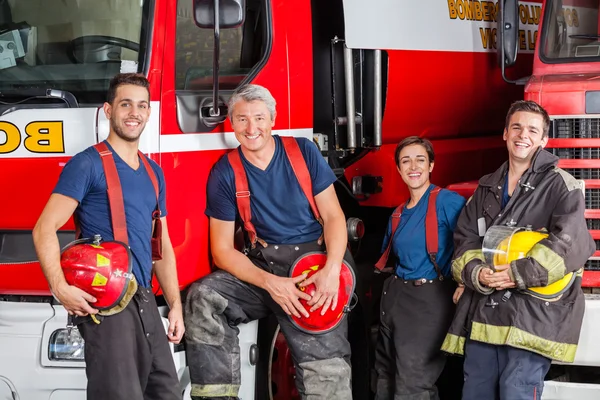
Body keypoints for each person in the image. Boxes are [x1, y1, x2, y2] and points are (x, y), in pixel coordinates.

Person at [184, 84, 352, 400]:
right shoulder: (225, 172)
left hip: (313, 270)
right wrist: (271, 283)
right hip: (265, 271)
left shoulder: (303, 152)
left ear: (272, 120)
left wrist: (331, 271)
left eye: (259, 118)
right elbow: (221, 251)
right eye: (242, 119)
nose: (252, 128)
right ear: (231, 124)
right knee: (204, 297)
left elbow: (333, 218)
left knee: (325, 374)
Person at [32, 73, 184, 400]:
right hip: (107, 302)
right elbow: (44, 228)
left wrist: (175, 305)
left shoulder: (154, 172)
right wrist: (60, 289)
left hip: (144, 298)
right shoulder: (87, 164)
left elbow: (162, 247)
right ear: (108, 110)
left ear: (149, 112)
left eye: (141, 105)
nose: (134, 112)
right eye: (125, 104)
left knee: (166, 392)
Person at [441, 100, 595, 400]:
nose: (523, 135)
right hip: (486, 311)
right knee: (476, 392)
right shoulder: (486, 188)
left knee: (517, 391)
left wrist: (516, 274)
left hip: (533, 314)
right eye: (517, 127)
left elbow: (568, 244)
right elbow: (464, 241)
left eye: (532, 130)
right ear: (505, 134)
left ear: (543, 139)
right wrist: (476, 273)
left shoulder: (561, 186)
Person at [373, 136, 466, 400]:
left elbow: (471, 241)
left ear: (431, 165)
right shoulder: (397, 213)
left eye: (420, 160)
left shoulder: (447, 201)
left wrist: (464, 282)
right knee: (385, 378)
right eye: (406, 161)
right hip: (395, 299)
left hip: (428, 301)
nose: (413, 166)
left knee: (413, 385)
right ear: (399, 169)